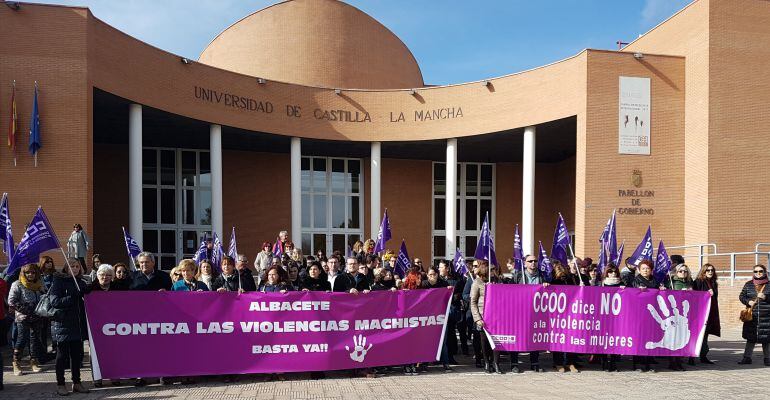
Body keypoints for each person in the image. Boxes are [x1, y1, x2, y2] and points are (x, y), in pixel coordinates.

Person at [49, 258, 90, 395]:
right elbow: (55, 301)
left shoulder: (81, 282)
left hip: (78, 325)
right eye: (72, 266)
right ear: (66, 268)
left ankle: (76, 383)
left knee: (77, 356)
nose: (75, 268)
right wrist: (72, 297)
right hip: (63, 325)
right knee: (61, 356)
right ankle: (60, 384)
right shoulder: (59, 281)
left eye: (77, 266)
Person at [508, 254, 546, 373]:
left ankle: (534, 363)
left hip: (536, 311)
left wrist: (546, 286)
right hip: (519, 312)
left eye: (535, 261)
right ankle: (514, 363)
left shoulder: (542, 275)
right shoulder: (518, 275)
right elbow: (510, 291)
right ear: (525, 263)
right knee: (517, 336)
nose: (533, 263)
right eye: (530, 261)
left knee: (535, 337)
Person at [8, 263, 45, 376]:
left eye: (33, 272)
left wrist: (43, 293)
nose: (30, 275)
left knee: (34, 339)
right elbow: (11, 301)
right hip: (23, 316)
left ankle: (33, 361)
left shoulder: (39, 283)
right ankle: (16, 363)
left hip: (37, 315)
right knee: (22, 338)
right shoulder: (17, 284)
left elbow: (45, 296)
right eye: (28, 272)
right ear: (23, 273)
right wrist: (25, 309)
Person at [632, 259, 665, 372]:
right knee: (640, 338)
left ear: (651, 270)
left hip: (652, 313)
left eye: (648, 268)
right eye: (643, 268)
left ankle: (648, 362)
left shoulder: (655, 281)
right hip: (640, 314)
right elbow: (631, 295)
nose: (646, 270)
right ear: (639, 270)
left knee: (650, 337)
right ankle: (638, 364)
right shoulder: (635, 281)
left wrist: (662, 290)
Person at [470, 261, 501, 374]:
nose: (493, 272)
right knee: (484, 341)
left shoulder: (497, 281)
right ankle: (487, 362)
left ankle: (496, 363)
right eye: (491, 270)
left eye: (493, 270)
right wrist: (477, 318)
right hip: (483, 316)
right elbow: (473, 302)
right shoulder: (477, 283)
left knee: (496, 340)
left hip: (497, 315)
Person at [421, 266, 453, 371]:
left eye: (434, 274)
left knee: (442, 341)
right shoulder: (423, 285)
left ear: (437, 275)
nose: (432, 277)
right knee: (427, 340)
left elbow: (449, 299)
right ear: (427, 275)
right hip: (427, 317)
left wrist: (449, 291)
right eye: (430, 275)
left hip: (441, 316)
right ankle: (425, 363)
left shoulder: (443, 284)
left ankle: (446, 363)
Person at [550, 261, 580, 373]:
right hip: (557, 314)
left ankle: (570, 362)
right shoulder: (553, 282)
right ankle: (558, 362)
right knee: (558, 338)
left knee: (571, 338)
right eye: (559, 271)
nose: (562, 274)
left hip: (571, 313)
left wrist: (581, 287)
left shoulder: (572, 280)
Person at [738, 264, 770, 366]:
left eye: (760, 271)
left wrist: (766, 297)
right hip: (752, 316)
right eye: (756, 271)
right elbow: (741, 296)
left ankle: (767, 359)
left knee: (767, 338)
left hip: (767, 316)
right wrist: (748, 301)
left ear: (765, 272)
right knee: (750, 338)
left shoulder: (769, 284)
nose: (758, 273)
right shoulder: (748, 284)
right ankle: (747, 358)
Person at [440, 259, 467, 359]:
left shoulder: (457, 280)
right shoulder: (440, 280)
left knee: (451, 332)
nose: (439, 269)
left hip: (452, 310)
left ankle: (450, 355)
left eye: (441, 267)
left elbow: (462, 293)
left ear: (447, 268)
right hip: (440, 309)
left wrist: (453, 295)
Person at [693, 263, 720, 364]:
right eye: (708, 270)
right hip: (700, 313)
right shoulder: (698, 282)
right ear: (703, 272)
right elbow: (695, 296)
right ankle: (692, 357)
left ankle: (703, 356)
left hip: (711, 312)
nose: (710, 272)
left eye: (712, 270)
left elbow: (714, 297)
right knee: (698, 335)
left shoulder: (713, 282)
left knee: (706, 334)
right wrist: (706, 294)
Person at [600, 265, 623, 371]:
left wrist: (624, 290)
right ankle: (604, 362)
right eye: (610, 272)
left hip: (617, 316)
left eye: (615, 272)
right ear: (607, 273)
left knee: (615, 339)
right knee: (604, 339)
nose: (613, 274)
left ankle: (613, 362)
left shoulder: (621, 284)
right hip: (604, 315)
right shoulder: (601, 284)